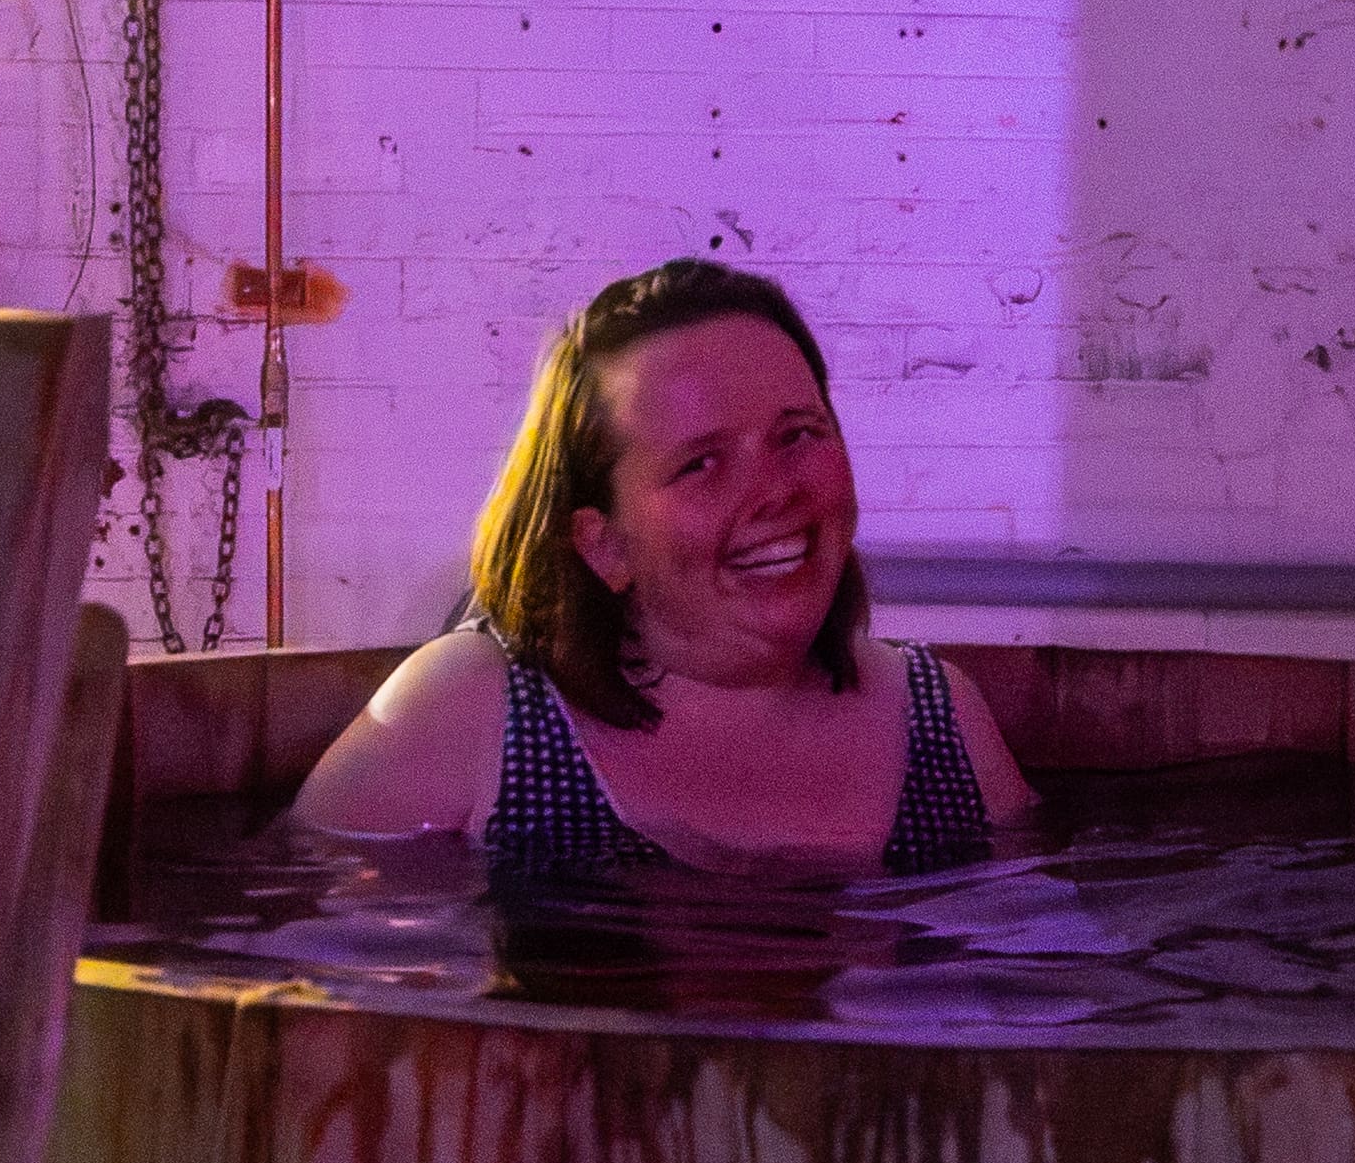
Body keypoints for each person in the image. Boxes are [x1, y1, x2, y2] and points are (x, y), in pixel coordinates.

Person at [297, 258, 1035, 873]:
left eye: (798, 433)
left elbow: (1029, 989)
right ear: (601, 543)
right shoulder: (469, 713)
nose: (776, 490)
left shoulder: (941, 722)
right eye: (700, 463)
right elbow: (311, 992)